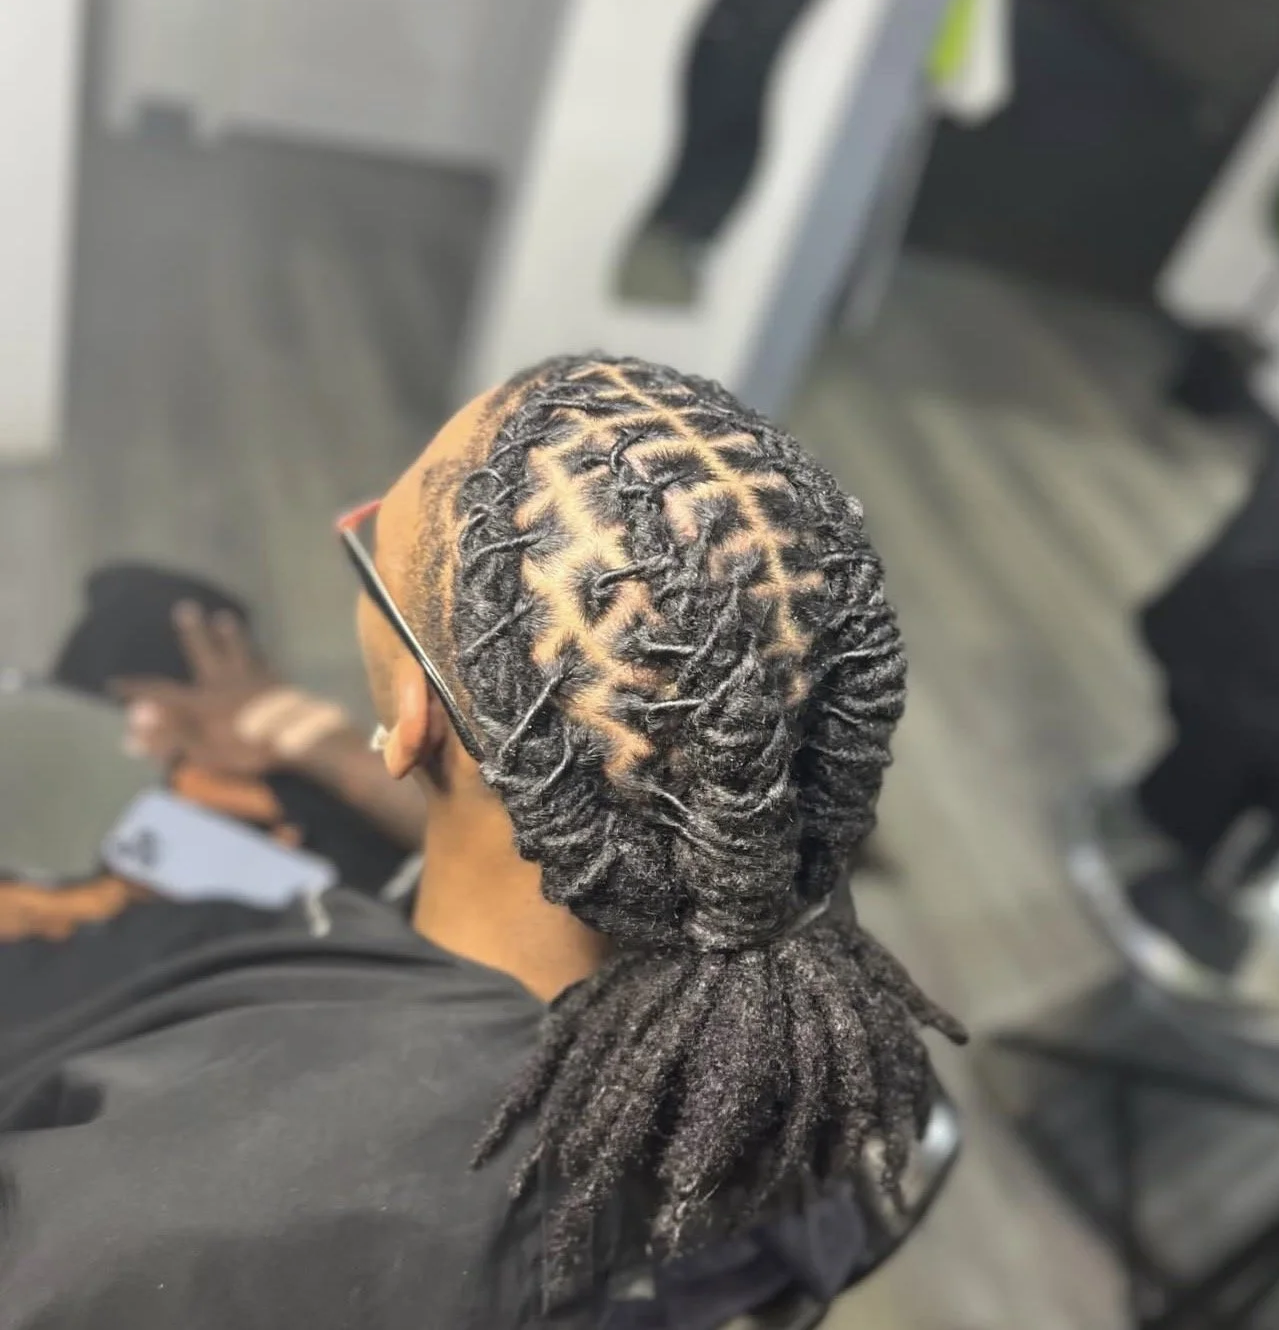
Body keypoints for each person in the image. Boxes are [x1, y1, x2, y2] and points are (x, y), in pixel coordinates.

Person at [0, 354, 963, 1328]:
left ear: (415, 715)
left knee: (128, 628)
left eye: (369, 541)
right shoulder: (821, 1014)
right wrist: (325, 747)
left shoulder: (175, 1210)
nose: (364, 537)